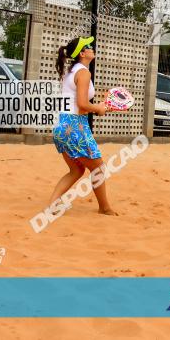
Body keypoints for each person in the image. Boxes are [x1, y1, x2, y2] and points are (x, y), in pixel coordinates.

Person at [48, 36, 117, 216]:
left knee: (77, 169)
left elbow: (78, 104)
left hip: (62, 125)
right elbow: (83, 104)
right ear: (82, 53)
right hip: (75, 126)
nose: (92, 47)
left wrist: (101, 108)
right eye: (88, 46)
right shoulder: (84, 73)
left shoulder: (71, 71)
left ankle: (53, 202)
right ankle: (104, 207)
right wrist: (99, 109)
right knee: (99, 168)